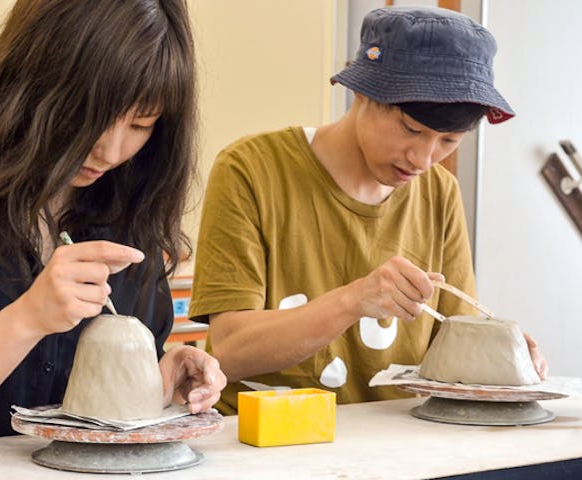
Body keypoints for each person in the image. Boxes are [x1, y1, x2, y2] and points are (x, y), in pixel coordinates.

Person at [0, 0, 226, 448]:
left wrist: (160, 378)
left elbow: (93, 407)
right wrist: (27, 319)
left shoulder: (131, 196)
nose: (112, 152)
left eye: (140, 124)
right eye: (94, 119)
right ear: (34, 81)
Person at [188, 5, 546, 415]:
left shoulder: (440, 192)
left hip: (398, 446)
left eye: (449, 140)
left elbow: (455, 341)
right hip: (266, 444)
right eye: (411, 129)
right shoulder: (250, 169)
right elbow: (231, 353)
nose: (424, 158)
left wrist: (499, 350)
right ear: (361, 91)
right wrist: (354, 300)